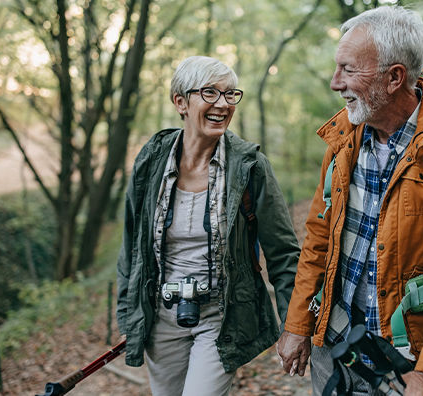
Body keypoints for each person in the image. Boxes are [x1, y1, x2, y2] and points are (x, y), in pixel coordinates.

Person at [276, 6, 423, 395]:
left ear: (394, 77)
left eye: (348, 69)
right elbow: (318, 237)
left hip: (413, 356)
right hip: (338, 340)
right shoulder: (345, 133)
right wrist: (297, 323)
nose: (334, 82)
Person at [116, 55, 300, 396]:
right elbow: (131, 245)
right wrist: (130, 314)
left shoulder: (249, 167)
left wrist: (294, 325)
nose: (223, 104)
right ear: (181, 102)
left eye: (231, 95)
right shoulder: (151, 160)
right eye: (211, 93)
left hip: (221, 315)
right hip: (161, 314)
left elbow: (284, 253)